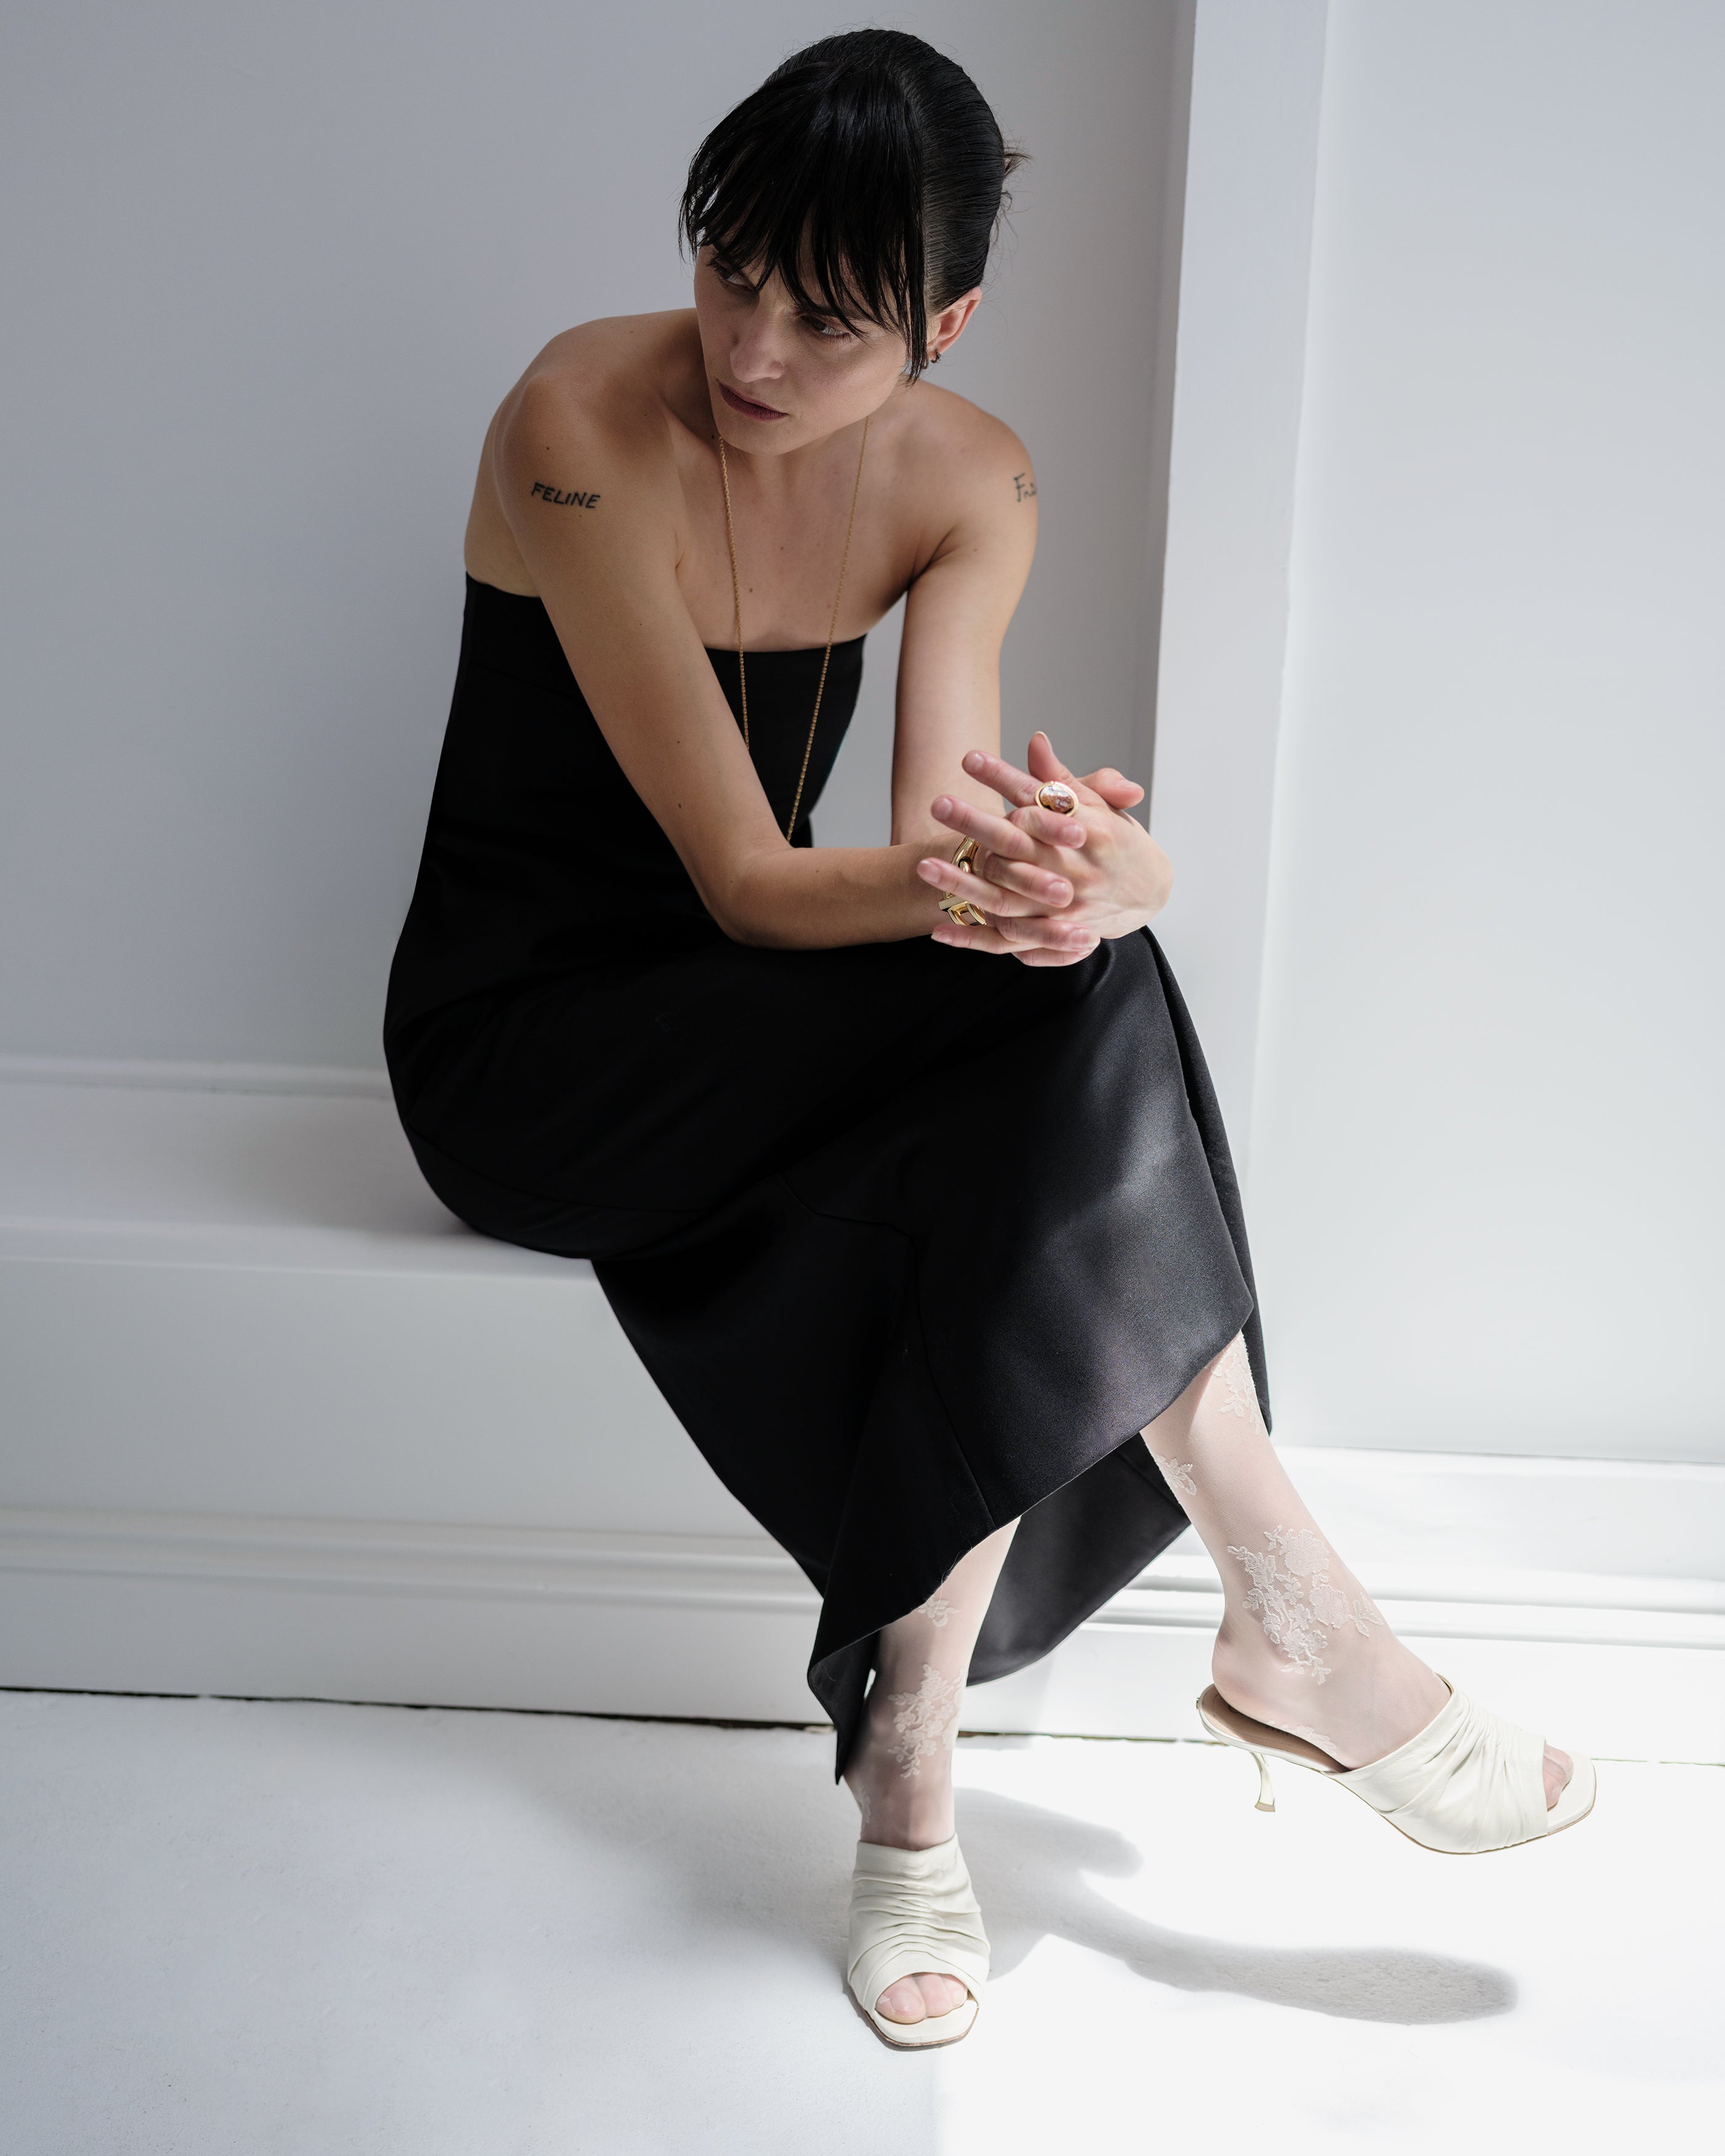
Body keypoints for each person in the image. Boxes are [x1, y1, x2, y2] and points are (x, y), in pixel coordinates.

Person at [384, 28, 1593, 2051]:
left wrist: (1093, 869)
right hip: (537, 1052)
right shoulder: (579, 417)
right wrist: (1054, 901)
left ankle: (917, 1762)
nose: (756, 347)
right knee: (1051, 997)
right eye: (732, 269)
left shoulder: (973, 479)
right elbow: (760, 881)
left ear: (945, 320)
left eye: (835, 320)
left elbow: (941, 832)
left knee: (1061, 989)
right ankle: (1289, 1608)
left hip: (759, 1028)